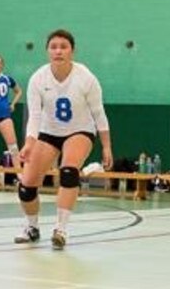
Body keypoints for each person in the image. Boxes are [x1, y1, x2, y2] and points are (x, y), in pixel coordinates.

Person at [14, 29, 113, 250]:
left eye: (63, 46)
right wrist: (29, 143)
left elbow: (99, 113)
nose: (58, 51)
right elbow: (35, 117)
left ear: (72, 51)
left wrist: (106, 146)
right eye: (54, 46)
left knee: (68, 172)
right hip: (48, 132)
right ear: (47, 51)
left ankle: (61, 229)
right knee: (26, 186)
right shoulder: (38, 78)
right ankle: (32, 228)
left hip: (79, 130)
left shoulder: (85, 77)